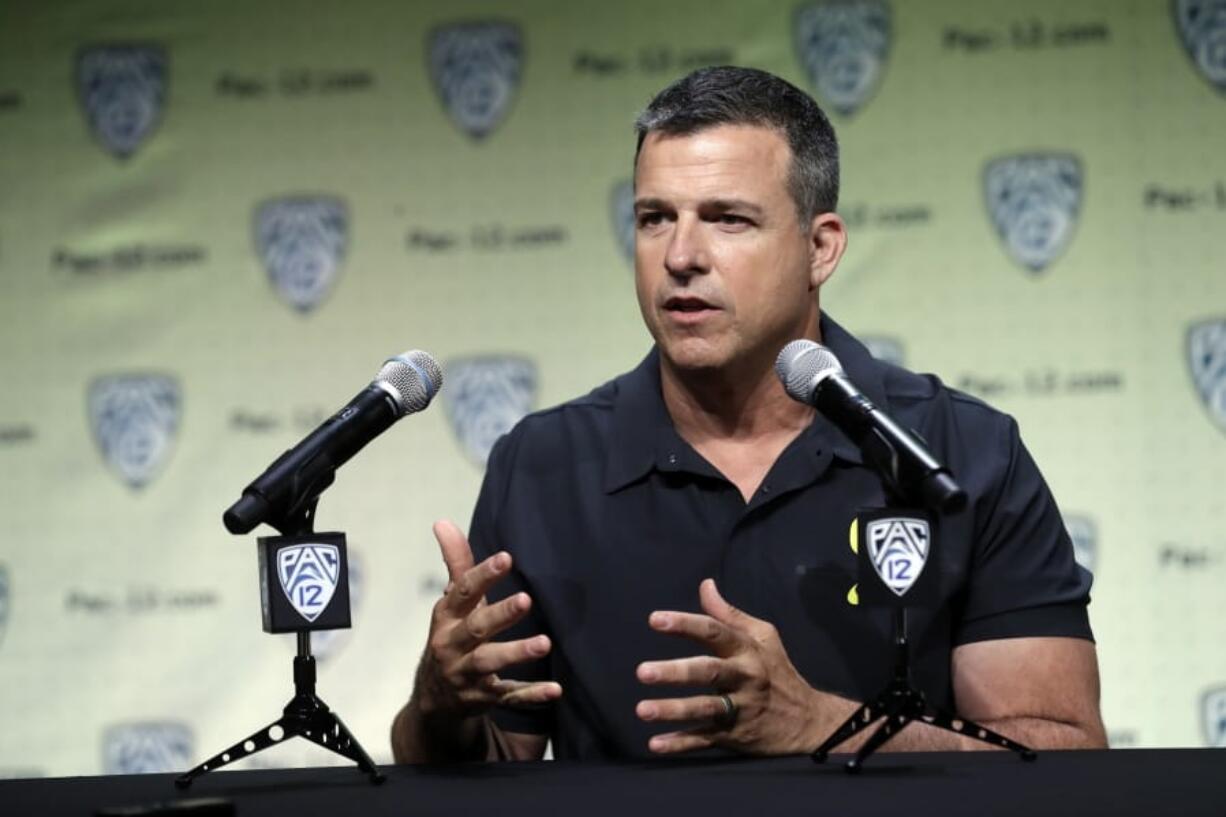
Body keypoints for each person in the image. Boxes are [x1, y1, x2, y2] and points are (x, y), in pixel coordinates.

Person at [391, 66, 1107, 763]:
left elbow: (1064, 749)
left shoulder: (962, 450)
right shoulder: (544, 464)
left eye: (727, 219)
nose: (680, 255)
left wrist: (824, 725)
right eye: (654, 218)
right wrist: (438, 702)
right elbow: (491, 764)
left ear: (820, 247)